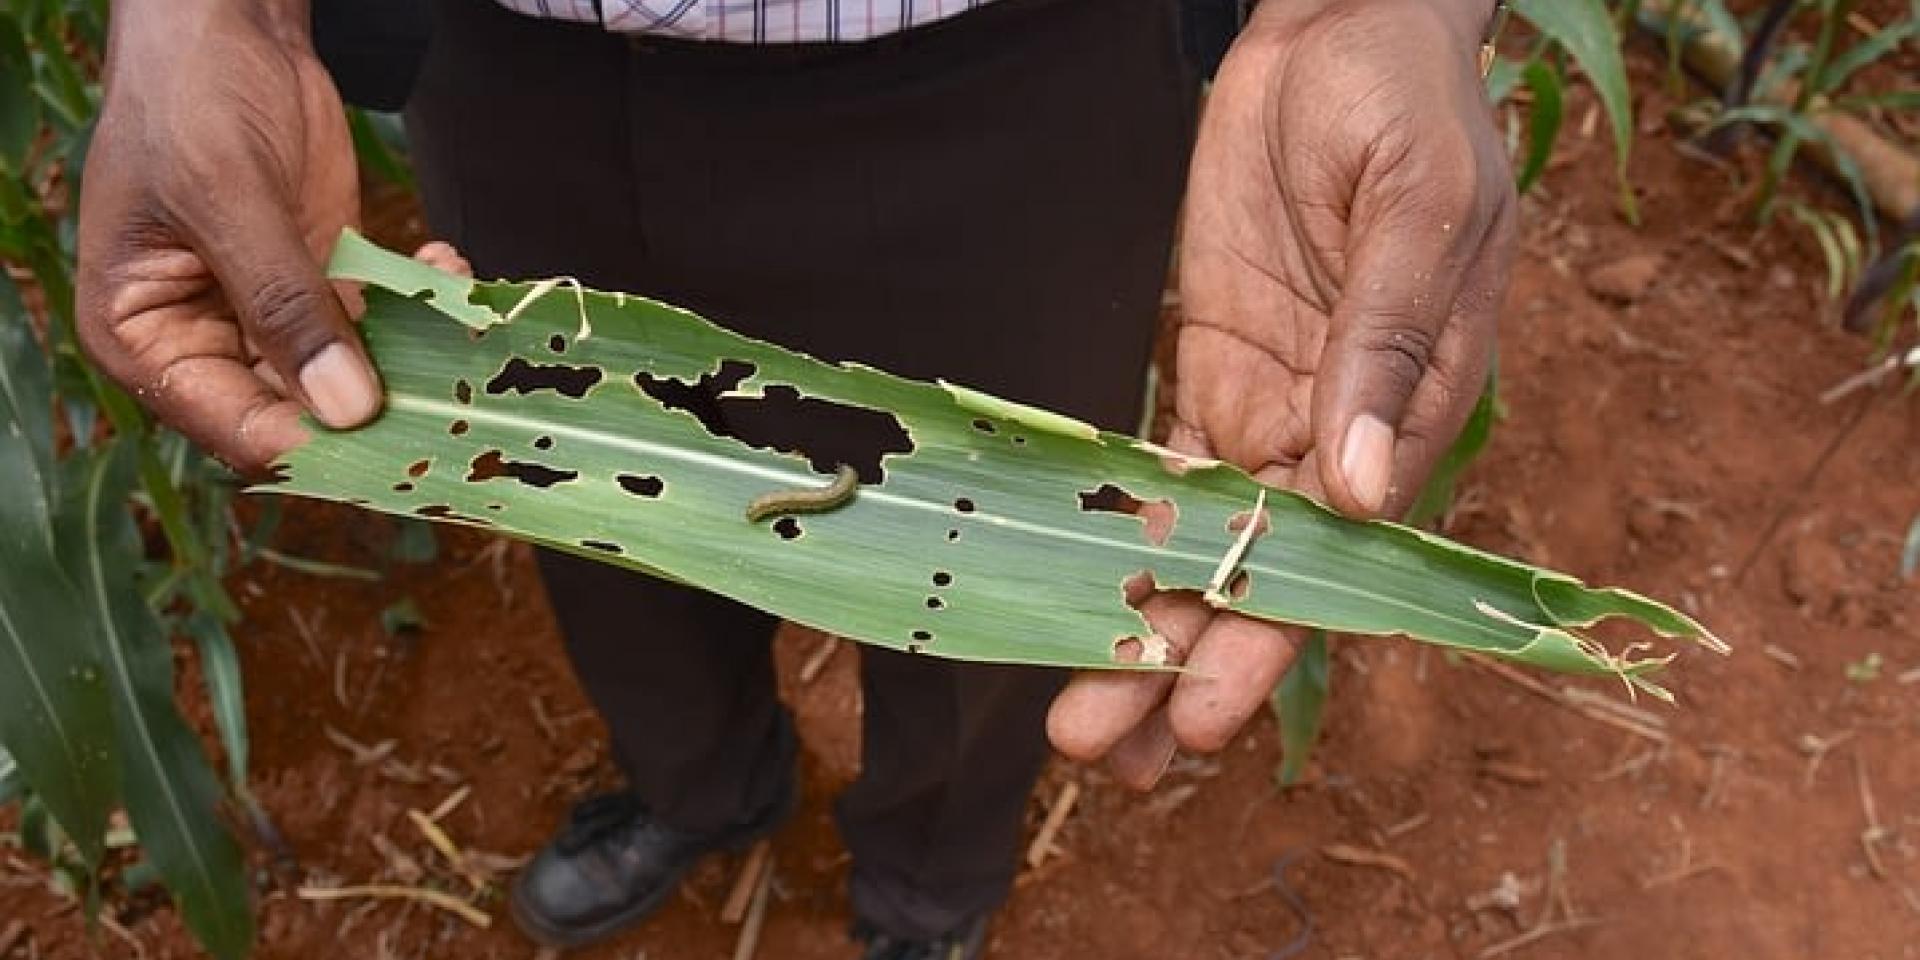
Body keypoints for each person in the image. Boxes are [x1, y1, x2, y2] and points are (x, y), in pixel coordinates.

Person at [75, 0, 1515, 956]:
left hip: (1024, 77)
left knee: (1011, 563)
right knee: (590, 504)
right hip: (518, 64)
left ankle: (925, 890)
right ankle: (703, 785)